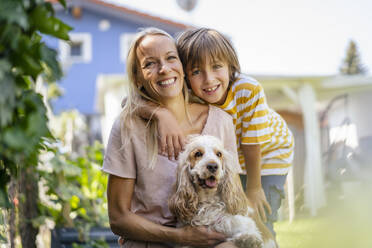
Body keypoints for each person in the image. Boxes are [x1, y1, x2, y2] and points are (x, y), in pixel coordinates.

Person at [102, 27, 242, 248]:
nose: (164, 69)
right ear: (138, 77)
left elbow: (235, 200)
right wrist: (182, 238)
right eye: (150, 64)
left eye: (170, 58)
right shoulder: (127, 127)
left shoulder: (221, 122)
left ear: (183, 67)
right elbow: (118, 218)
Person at [148, 28, 294, 237]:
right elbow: (136, 101)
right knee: (231, 209)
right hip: (228, 156)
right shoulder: (189, 93)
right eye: (197, 72)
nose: (208, 79)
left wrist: (253, 188)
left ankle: (266, 238)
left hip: (270, 151)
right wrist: (161, 114)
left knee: (258, 212)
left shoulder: (248, 89)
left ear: (231, 66)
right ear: (186, 77)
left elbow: (252, 144)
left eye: (217, 67)